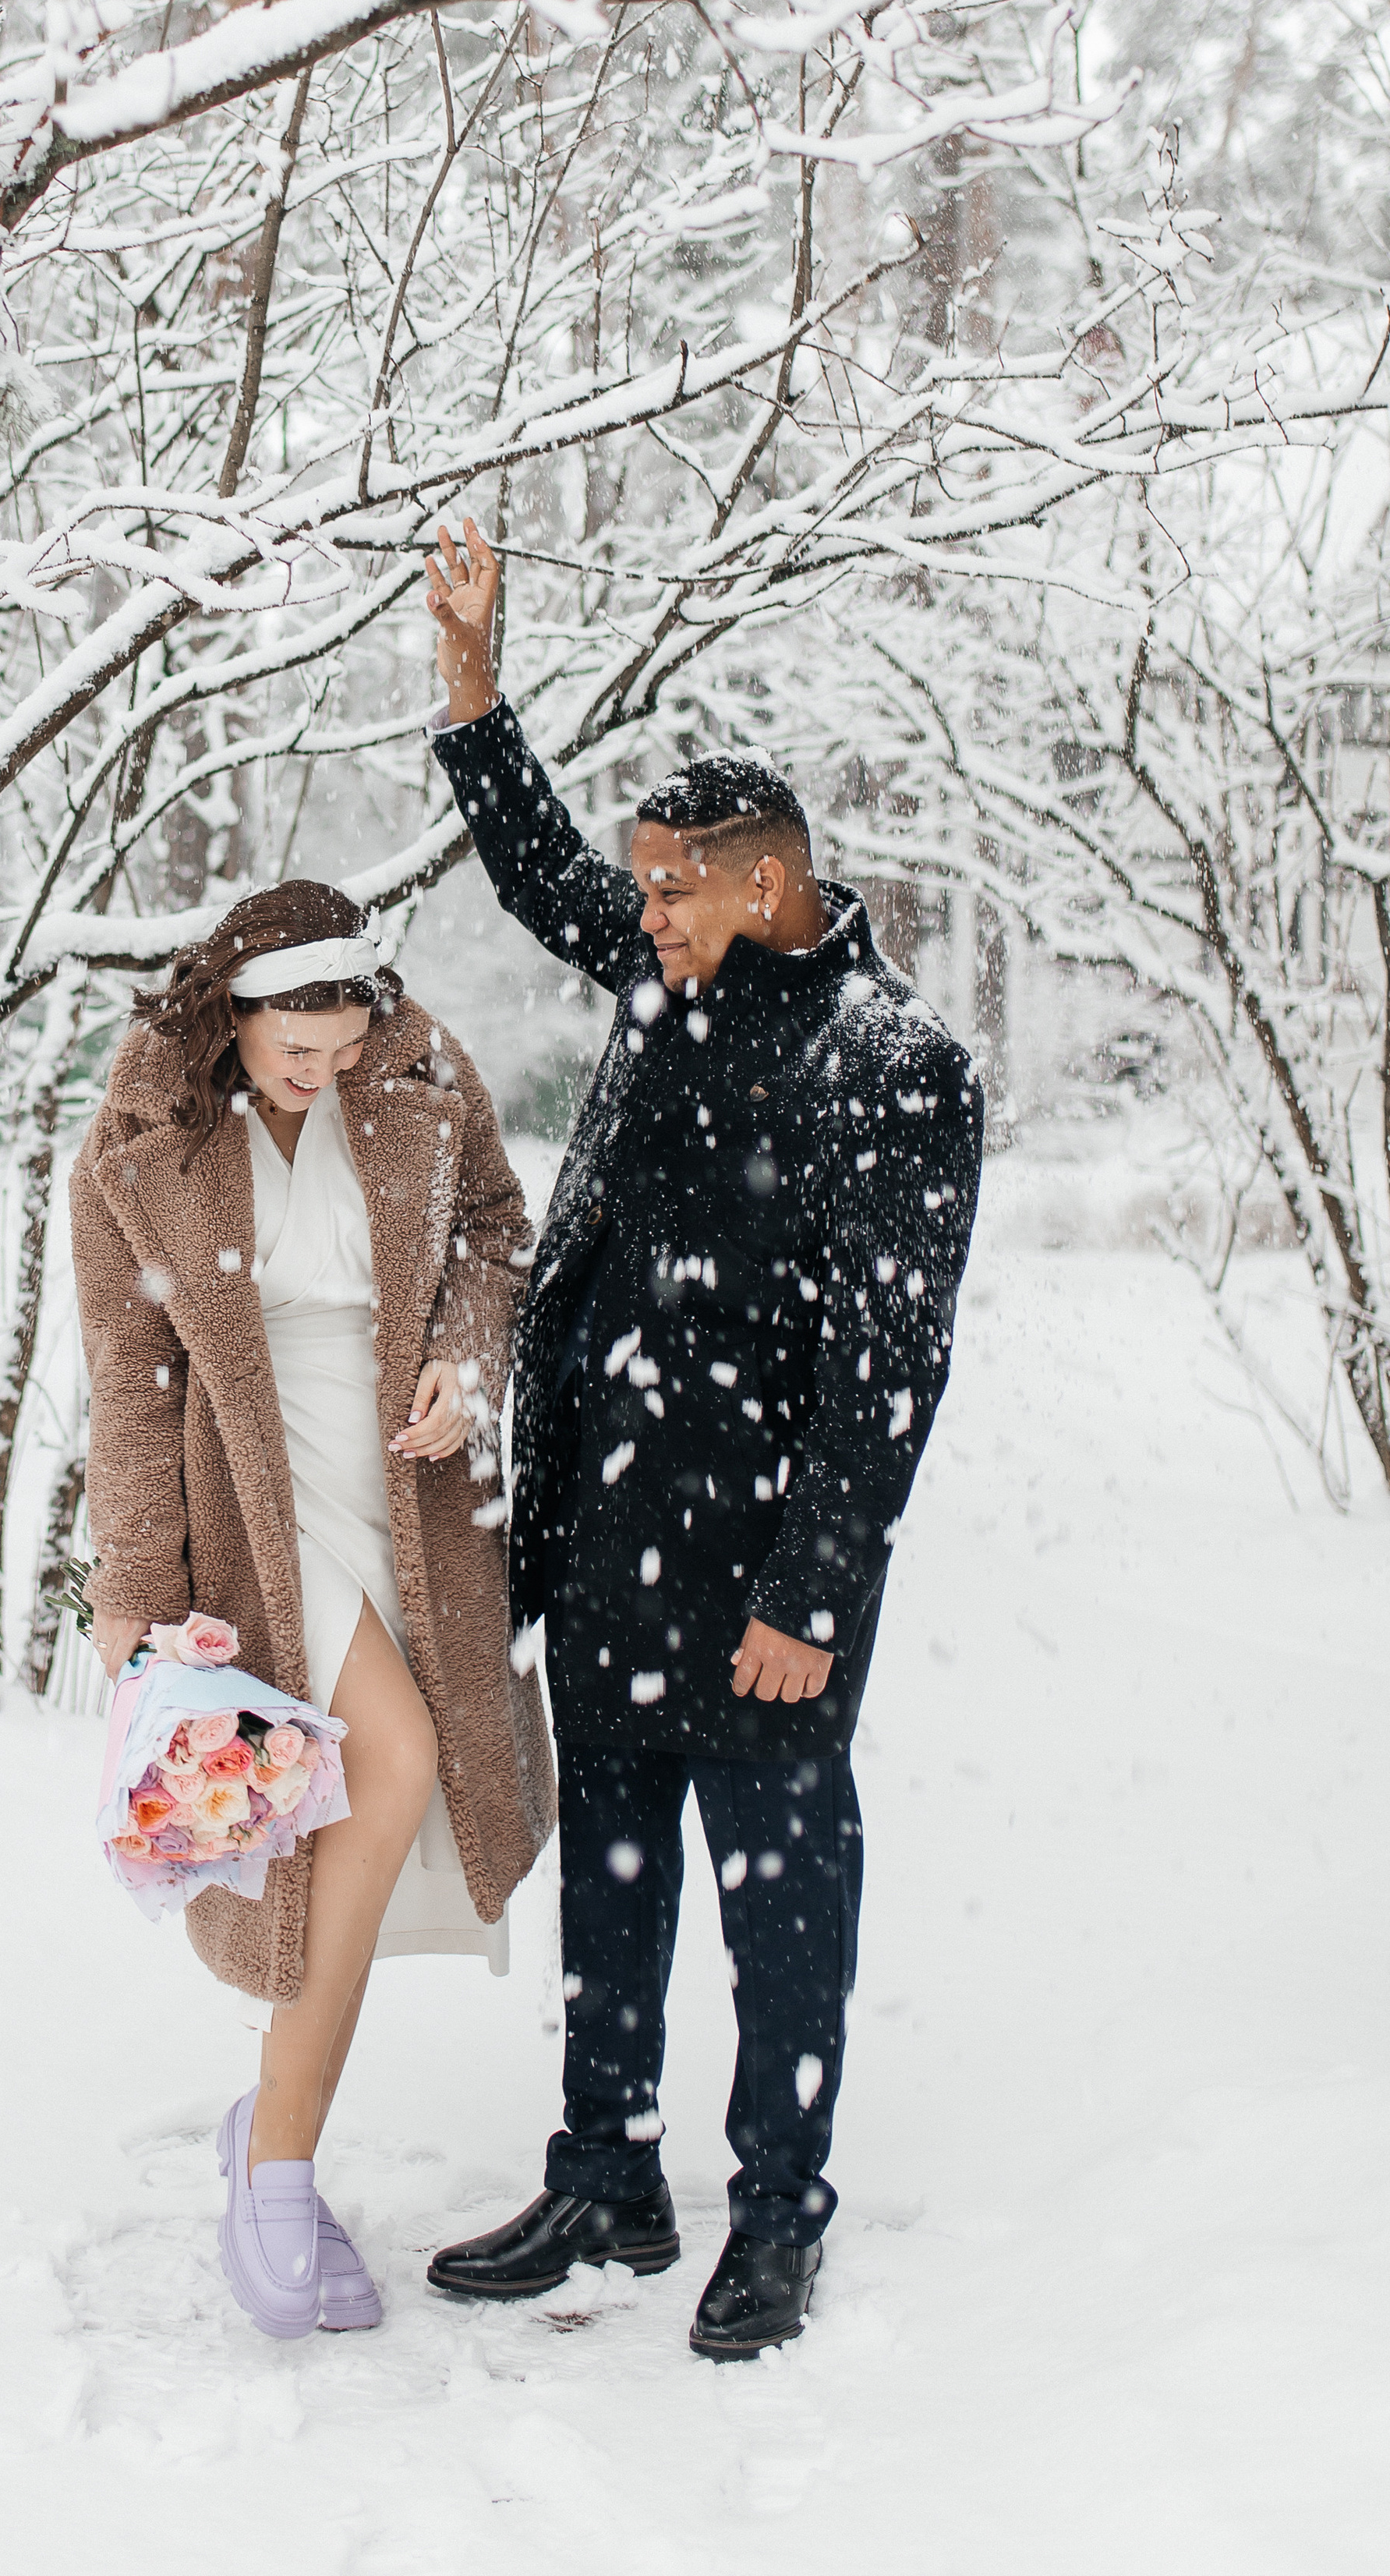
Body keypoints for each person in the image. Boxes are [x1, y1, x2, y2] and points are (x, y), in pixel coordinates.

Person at [417, 522, 984, 2359]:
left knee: (776, 1882)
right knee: (616, 1865)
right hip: (607, 1520)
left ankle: (779, 2207)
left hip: (759, 1561)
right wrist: (470, 687)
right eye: (644, 895)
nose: (635, 916)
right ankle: (606, 2172)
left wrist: (811, 1594)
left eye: (667, 891)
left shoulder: (887, 1063)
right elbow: (536, 878)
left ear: (759, 883)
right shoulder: (672, 982)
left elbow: (888, 1365)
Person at [71, 879, 557, 2341]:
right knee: (392, 1766)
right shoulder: (147, 1132)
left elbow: (494, 1229)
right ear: (236, 1003)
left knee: (368, 1821)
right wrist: (140, 1593)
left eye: (346, 1037)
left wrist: (466, 1362)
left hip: (409, 1490)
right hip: (261, 1503)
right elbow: (128, 1370)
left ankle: (269, 2131)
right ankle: (278, 2158)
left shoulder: (419, 1074)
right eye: (299, 1036)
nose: (325, 1064)